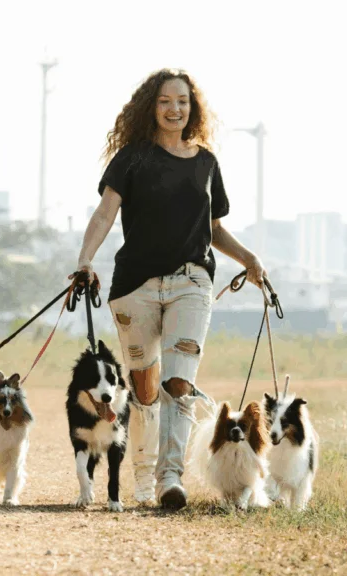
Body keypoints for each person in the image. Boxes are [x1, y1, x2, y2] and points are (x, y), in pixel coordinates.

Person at [72, 68, 268, 510]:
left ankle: (169, 479)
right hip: (135, 286)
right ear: (151, 106)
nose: (173, 108)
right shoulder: (132, 158)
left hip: (192, 282)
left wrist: (249, 260)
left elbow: (213, 228)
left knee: (179, 384)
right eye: (164, 101)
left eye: (181, 101)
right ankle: (142, 478)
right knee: (143, 390)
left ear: (192, 107)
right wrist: (85, 259)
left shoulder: (206, 163)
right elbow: (105, 214)